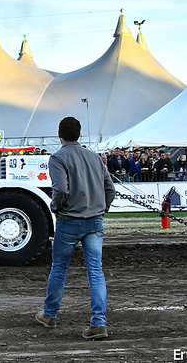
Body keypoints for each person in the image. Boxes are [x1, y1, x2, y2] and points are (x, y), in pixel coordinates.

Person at [36, 116, 115, 340]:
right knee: (96, 271)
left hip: (70, 220)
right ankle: (98, 322)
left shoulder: (58, 158)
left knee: (59, 268)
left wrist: (55, 206)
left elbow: (60, 189)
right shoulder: (95, 157)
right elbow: (110, 189)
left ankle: (50, 314)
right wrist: (102, 208)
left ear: (59, 133)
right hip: (94, 221)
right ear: (79, 134)